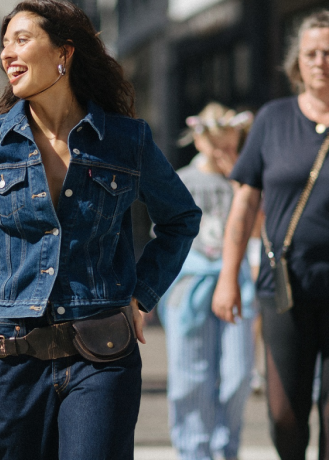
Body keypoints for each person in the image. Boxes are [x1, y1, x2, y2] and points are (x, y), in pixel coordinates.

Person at [0, 2, 201, 459]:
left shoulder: (127, 140)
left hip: (102, 350)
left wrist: (142, 294)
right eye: (4, 43)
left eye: (21, 39)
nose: (7, 53)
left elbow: (181, 218)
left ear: (64, 52)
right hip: (14, 356)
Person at [212, 10, 329, 460]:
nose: (320, 61)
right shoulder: (273, 119)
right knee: (284, 413)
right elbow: (244, 205)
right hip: (285, 286)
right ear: (296, 62)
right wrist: (228, 276)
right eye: (311, 53)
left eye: (328, 53)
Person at [159, 102, 255, 460]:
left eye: (231, 147)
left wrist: (240, 181)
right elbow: (165, 234)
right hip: (190, 285)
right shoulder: (182, 180)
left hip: (236, 284)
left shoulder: (244, 181)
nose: (223, 154)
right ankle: (194, 451)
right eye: (216, 147)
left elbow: (258, 228)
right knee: (190, 376)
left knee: (239, 372)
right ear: (198, 141)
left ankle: (225, 447)